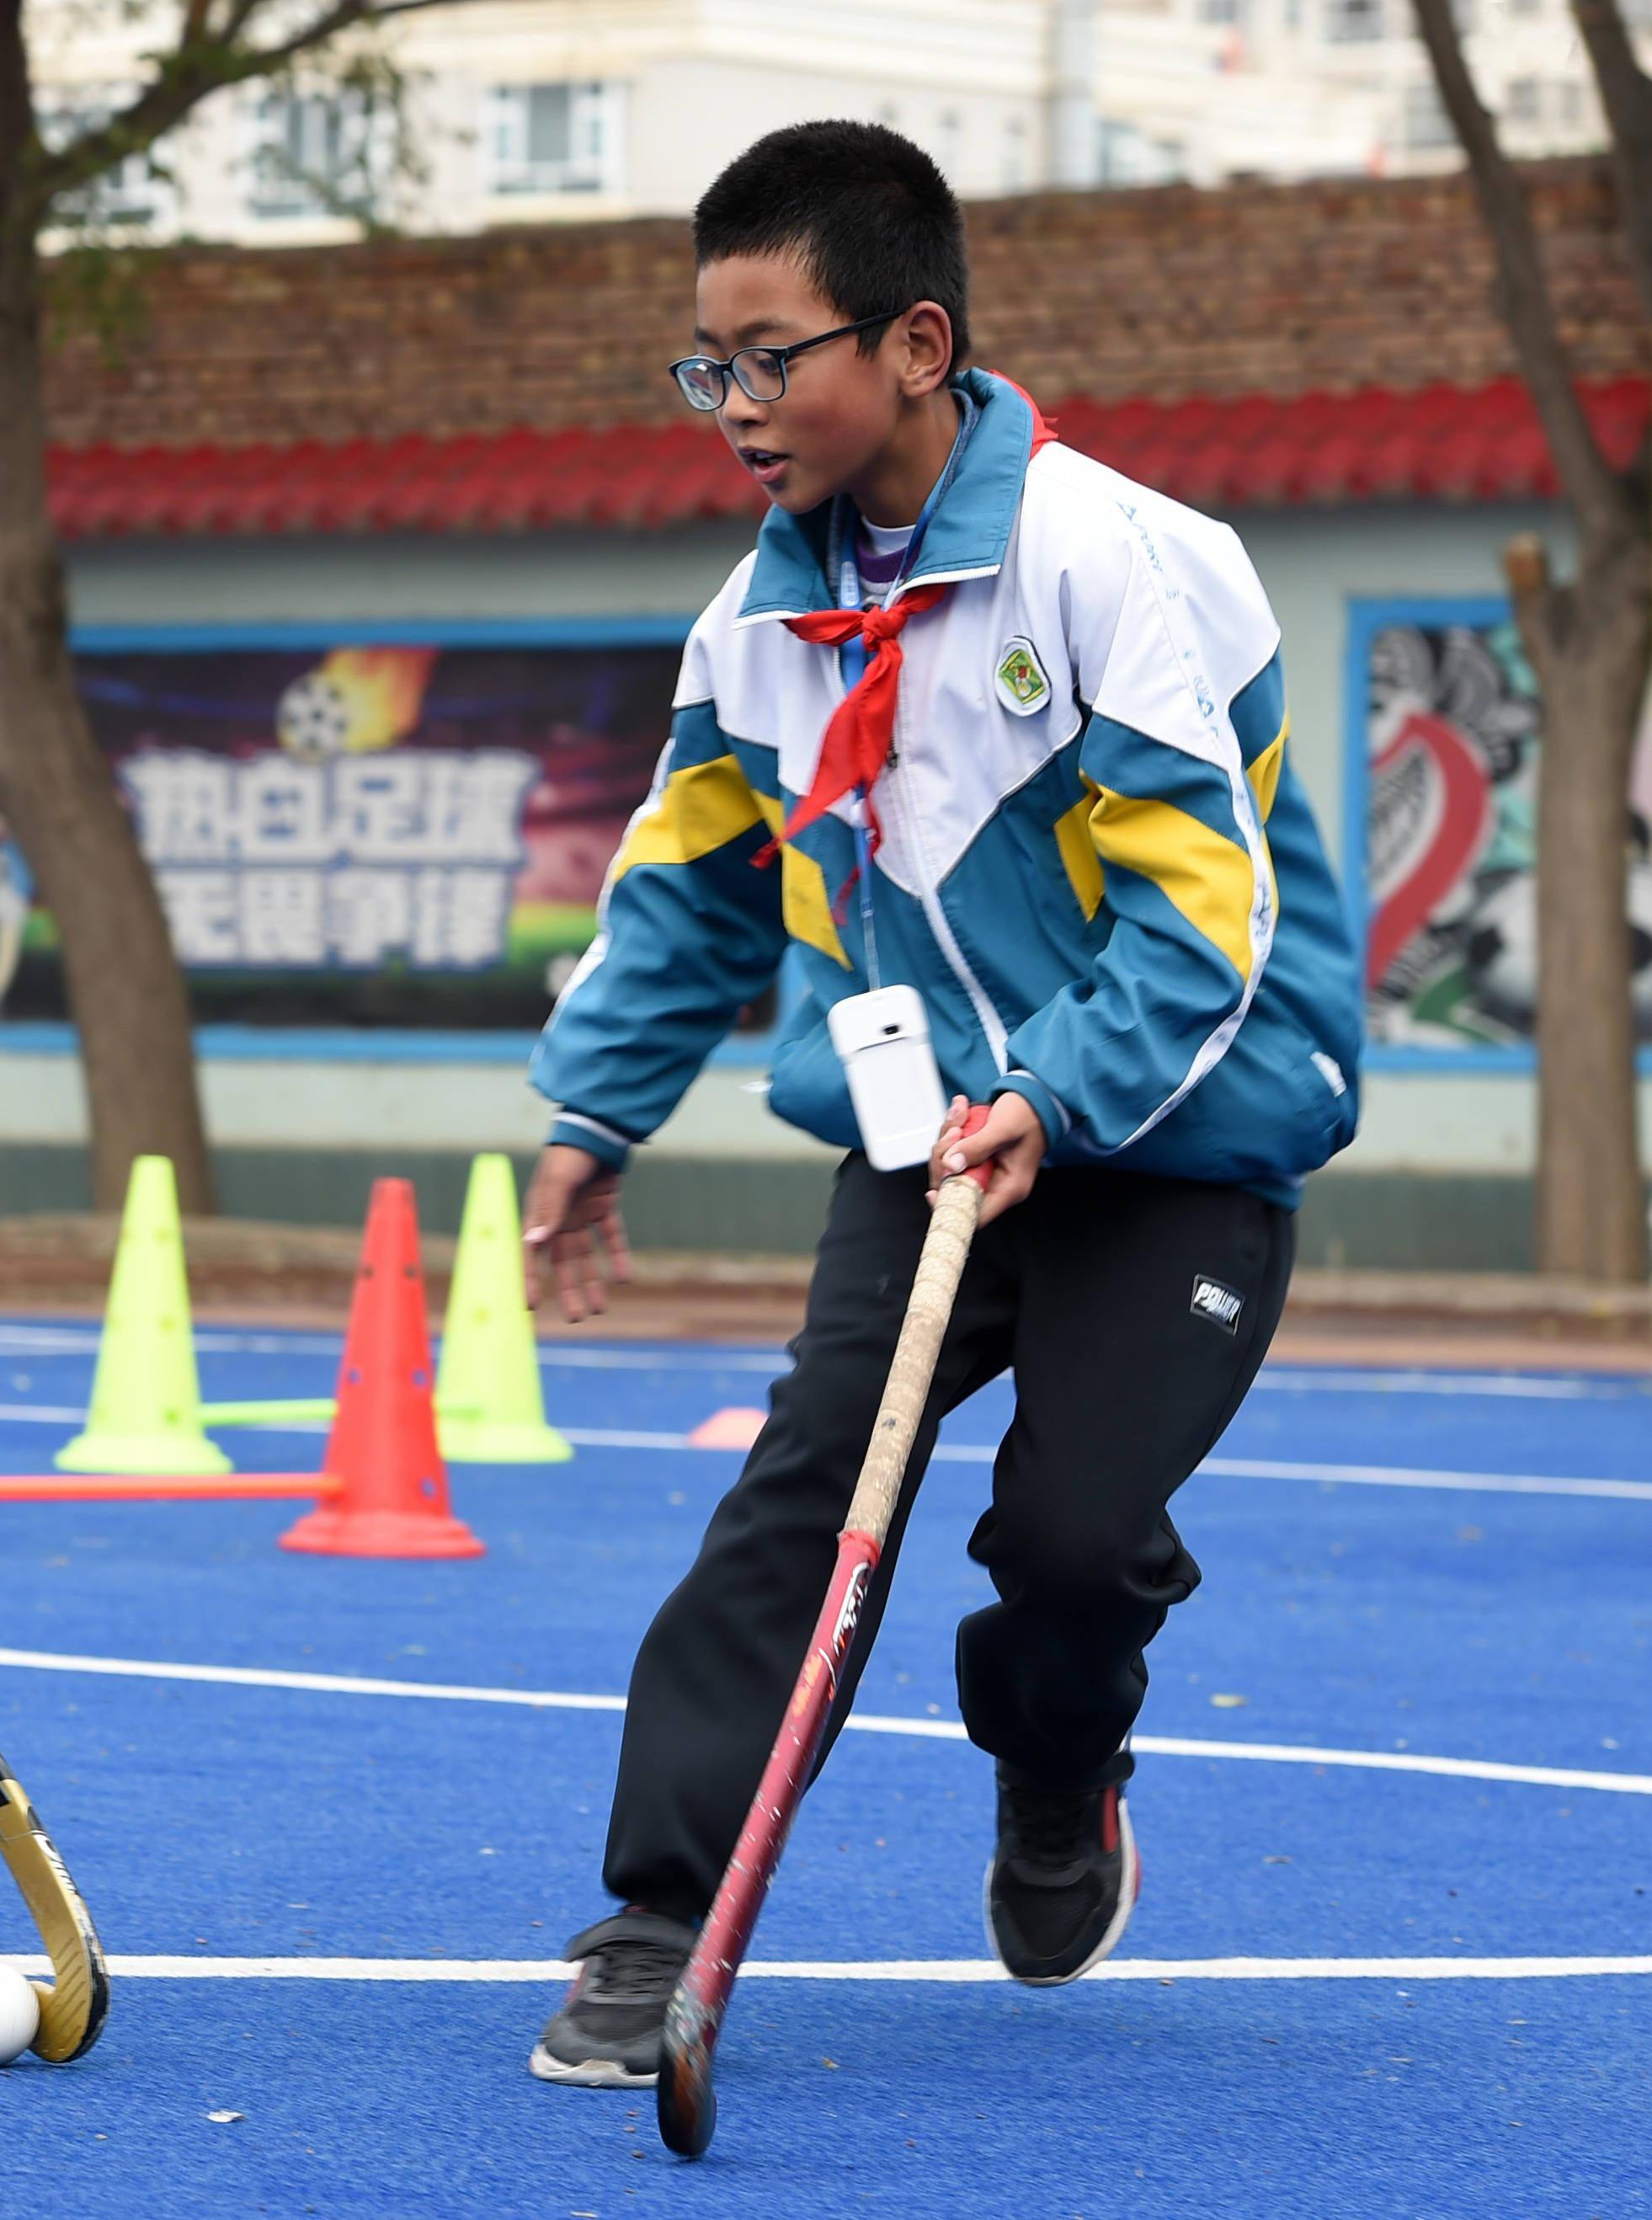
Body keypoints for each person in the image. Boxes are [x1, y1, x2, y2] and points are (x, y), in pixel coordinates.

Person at [519, 121, 1362, 2088]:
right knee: (802, 1495)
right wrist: (591, 1116)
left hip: (1171, 1136)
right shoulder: (750, 623)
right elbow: (680, 891)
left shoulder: (1118, 559)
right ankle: (656, 1911)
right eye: (700, 364)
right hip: (921, 1141)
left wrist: (1048, 1101)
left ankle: (1054, 1769)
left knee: (1068, 1538)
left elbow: (1196, 913)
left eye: (764, 355)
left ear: (910, 342)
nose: (727, 406)